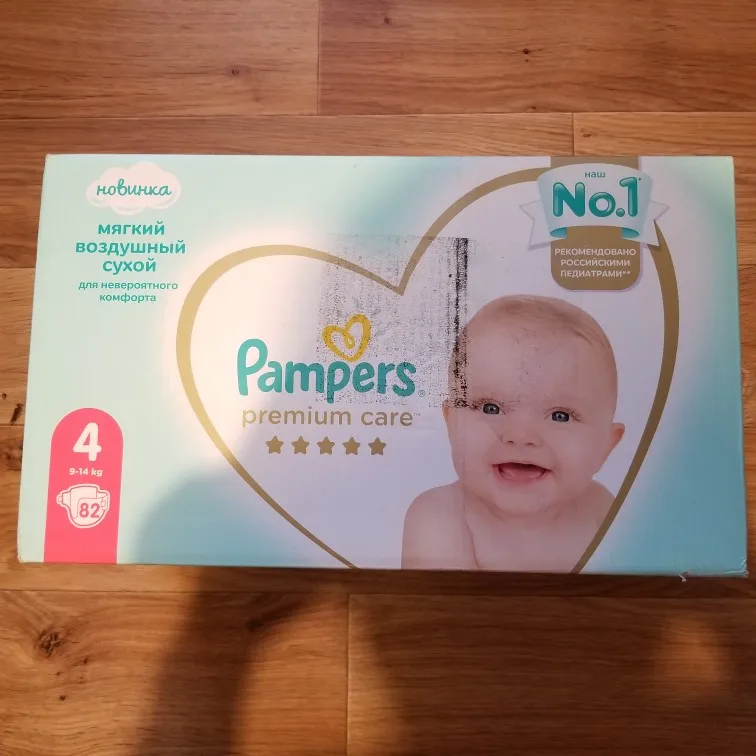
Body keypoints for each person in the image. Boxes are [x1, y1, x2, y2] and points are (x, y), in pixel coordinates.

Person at [402, 294, 625, 572]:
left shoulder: (601, 510)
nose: (520, 436)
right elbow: (445, 601)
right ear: (451, 422)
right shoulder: (439, 518)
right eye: (491, 408)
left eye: (560, 416)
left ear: (607, 445)